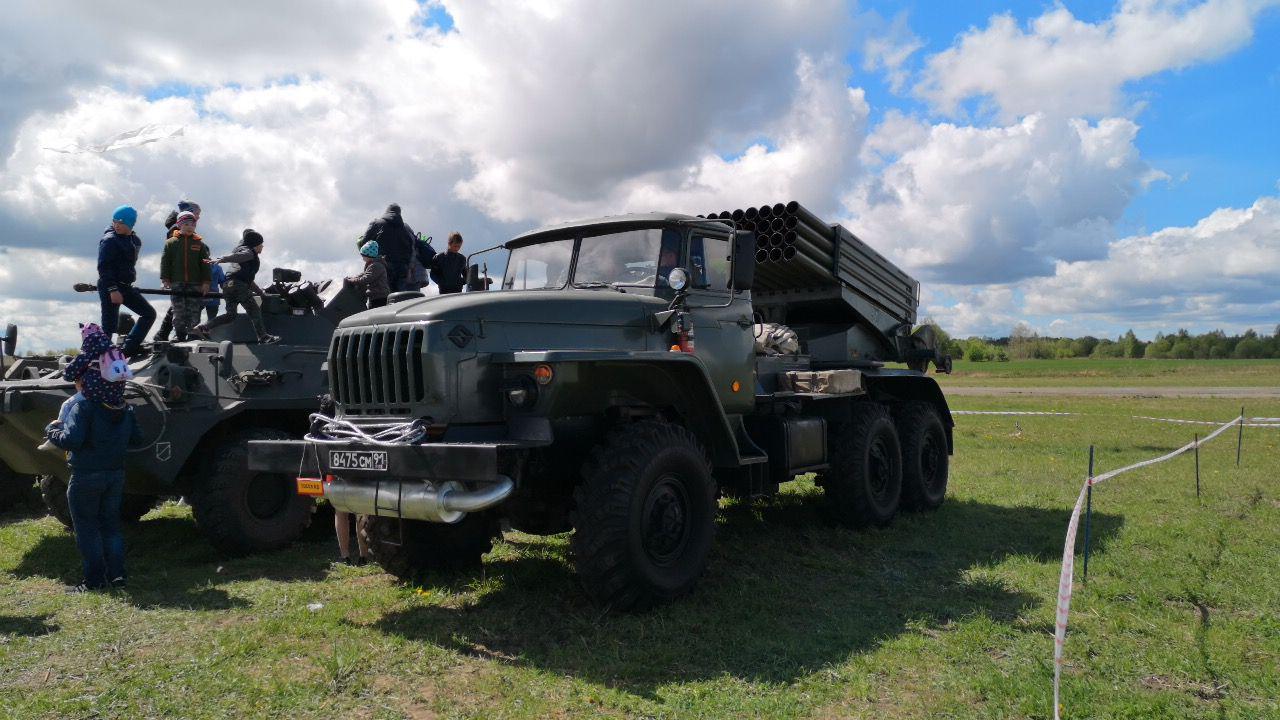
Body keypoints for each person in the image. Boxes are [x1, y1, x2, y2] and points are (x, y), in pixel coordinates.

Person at [45, 325, 142, 592]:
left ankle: (94, 581)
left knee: (86, 529)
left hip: (86, 474)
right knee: (110, 526)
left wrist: (52, 430)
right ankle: (118, 576)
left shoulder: (82, 407)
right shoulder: (124, 407)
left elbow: (72, 440)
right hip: (115, 474)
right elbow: (138, 439)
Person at [194, 229, 280, 344]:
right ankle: (263, 337)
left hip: (228, 286)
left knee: (231, 315)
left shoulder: (245, 256)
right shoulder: (249, 252)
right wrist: (223, 259)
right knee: (254, 310)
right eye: (261, 244)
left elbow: (249, 281)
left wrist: (261, 294)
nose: (262, 247)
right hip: (238, 286)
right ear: (255, 245)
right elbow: (242, 256)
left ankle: (205, 327)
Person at [97, 205, 156, 357]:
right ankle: (103, 358)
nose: (117, 225)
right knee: (109, 325)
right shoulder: (109, 240)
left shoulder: (134, 240)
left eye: (121, 223)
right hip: (110, 285)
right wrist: (112, 290)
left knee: (149, 314)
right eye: (114, 221)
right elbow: (104, 267)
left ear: (130, 224)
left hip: (125, 285)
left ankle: (129, 348)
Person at [159, 211, 211, 341]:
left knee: (194, 310)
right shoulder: (171, 243)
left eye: (193, 225)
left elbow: (205, 264)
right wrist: (165, 279)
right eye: (186, 224)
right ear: (179, 225)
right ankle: (179, 334)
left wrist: (206, 282)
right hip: (177, 282)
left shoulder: (200, 244)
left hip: (195, 283)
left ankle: (193, 334)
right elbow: (165, 261)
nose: (189, 227)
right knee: (178, 311)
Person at [357, 204, 430, 293]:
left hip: (382, 265)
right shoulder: (405, 228)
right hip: (402, 268)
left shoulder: (377, 223)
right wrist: (409, 267)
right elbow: (411, 249)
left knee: (383, 295)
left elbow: (364, 242)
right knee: (399, 297)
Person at [345, 240, 390, 309]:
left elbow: (366, 279)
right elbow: (363, 274)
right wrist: (353, 278)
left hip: (379, 297)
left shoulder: (376, 266)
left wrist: (353, 281)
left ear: (368, 256)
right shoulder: (373, 265)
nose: (362, 258)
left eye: (363, 256)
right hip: (375, 296)